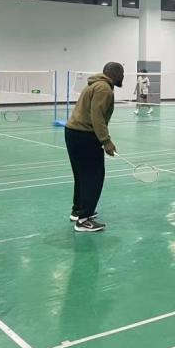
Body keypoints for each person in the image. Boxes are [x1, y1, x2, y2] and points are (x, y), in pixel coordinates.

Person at [65, 62, 122, 232]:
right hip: (85, 135)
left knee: (81, 175)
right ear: (114, 74)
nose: (123, 77)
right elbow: (97, 116)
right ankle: (84, 220)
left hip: (73, 132)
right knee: (94, 176)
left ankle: (78, 211)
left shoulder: (94, 84)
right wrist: (106, 141)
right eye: (122, 74)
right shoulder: (104, 88)